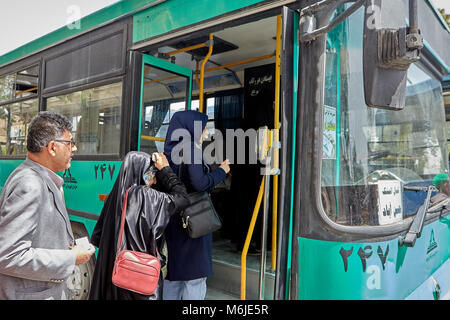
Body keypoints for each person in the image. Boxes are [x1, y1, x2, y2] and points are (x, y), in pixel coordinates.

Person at [0, 111, 95, 300]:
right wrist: (71, 258)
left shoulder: (38, 177)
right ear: (52, 147)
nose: (74, 149)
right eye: (69, 143)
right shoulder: (30, 184)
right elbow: (9, 255)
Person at [88, 151, 189, 300]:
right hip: (138, 279)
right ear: (140, 171)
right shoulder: (145, 196)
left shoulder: (113, 197)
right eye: (151, 172)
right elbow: (182, 198)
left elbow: (97, 237)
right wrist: (166, 170)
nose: (154, 179)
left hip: (114, 278)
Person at [163, 110, 230, 300]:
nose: (206, 132)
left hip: (172, 221)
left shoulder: (168, 151)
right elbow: (200, 183)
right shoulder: (191, 149)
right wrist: (221, 171)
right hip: (193, 223)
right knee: (195, 279)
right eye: (203, 127)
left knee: (173, 277)